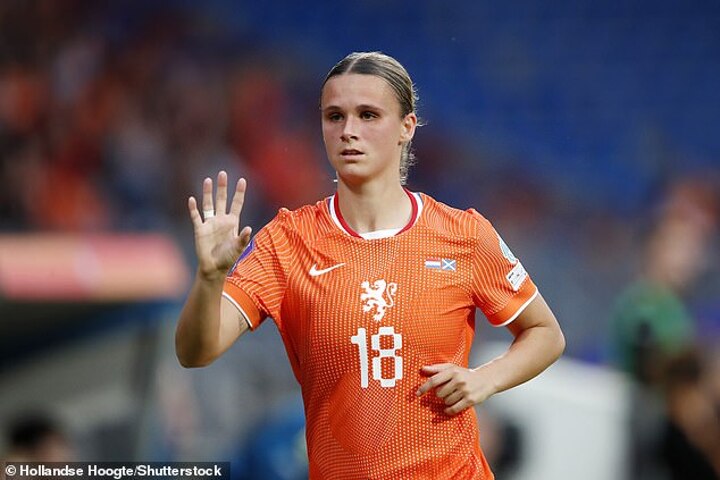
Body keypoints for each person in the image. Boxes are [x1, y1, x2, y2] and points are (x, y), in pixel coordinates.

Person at [176, 51, 565, 479]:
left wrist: (485, 379)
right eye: (334, 116)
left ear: (406, 127)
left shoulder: (464, 234)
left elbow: (545, 333)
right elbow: (196, 352)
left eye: (368, 115)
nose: (348, 131)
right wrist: (209, 279)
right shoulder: (286, 241)